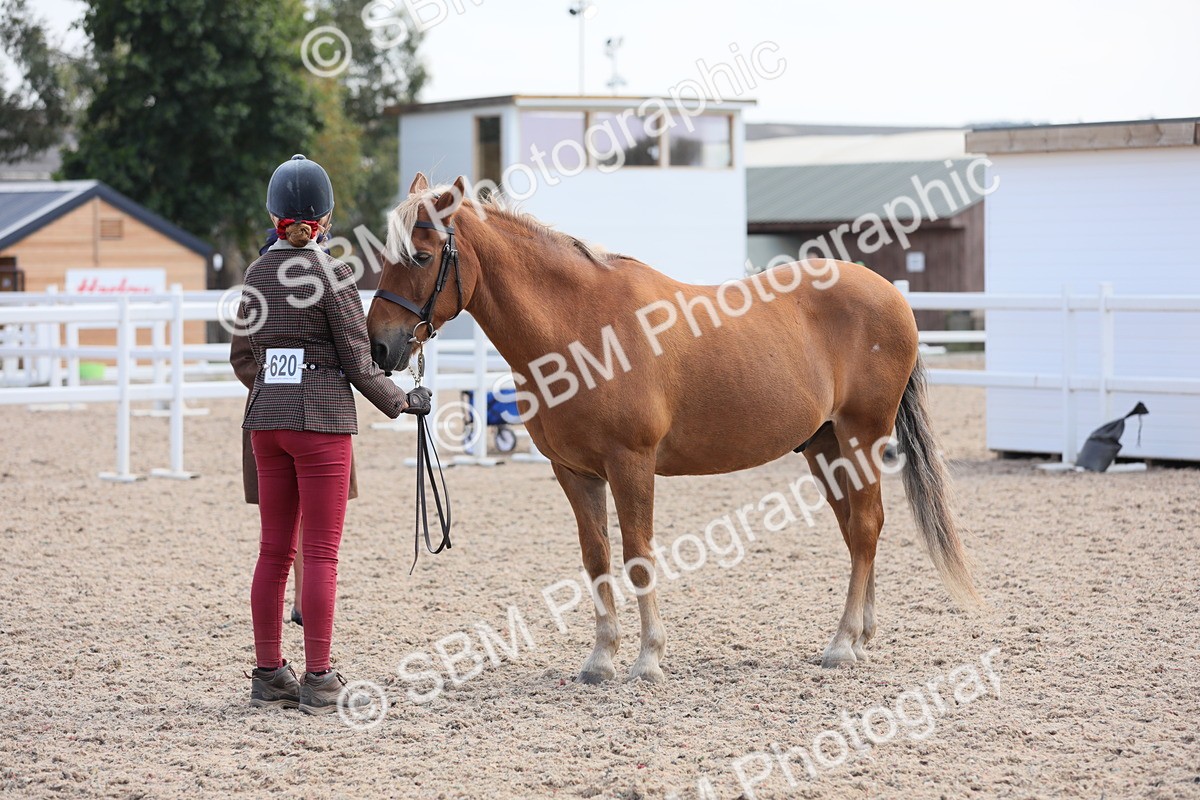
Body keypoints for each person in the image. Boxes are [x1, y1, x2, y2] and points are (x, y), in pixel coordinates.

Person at [238, 154, 430, 715]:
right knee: (321, 554)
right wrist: (403, 401)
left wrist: (282, 382)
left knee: (274, 551)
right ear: (325, 217)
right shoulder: (335, 274)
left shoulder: (255, 275)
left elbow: (249, 354)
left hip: (266, 424)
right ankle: (319, 678)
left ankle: (268, 674)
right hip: (321, 425)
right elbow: (357, 362)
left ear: (274, 215)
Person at [231, 229, 359, 629]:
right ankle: (310, 638)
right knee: (308, 543)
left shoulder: (259, 273)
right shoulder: (292, 271)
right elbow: (243, 356)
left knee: (286, 543)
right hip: (298, 413)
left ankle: (301, 606)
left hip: (295, 414)